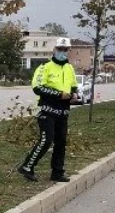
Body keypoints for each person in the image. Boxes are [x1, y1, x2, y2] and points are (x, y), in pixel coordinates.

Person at [19, 37, 79, 183]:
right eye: (60, 49)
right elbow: (37, 88)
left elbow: (73, 85)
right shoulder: (44, 67)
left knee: (61, 142)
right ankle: (27, 166)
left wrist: (75, 94)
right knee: (47, 140)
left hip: (63, 112)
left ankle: (57, 172)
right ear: (54, 49)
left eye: (65, 50)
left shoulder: (69, 68)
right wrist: (59, 94)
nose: (63, 52)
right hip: (47, 111)